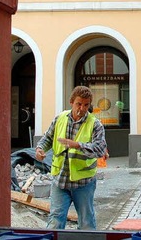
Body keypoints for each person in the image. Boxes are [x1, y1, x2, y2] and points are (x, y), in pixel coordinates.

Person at [35, 86, 107, 230]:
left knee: (86, 222)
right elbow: (47, 138)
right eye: (78, 104)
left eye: (86, 105)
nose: (82, 108)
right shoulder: (60, 118)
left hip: (83, 183)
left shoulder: (95, 124)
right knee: (55, 220)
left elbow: (100, 149)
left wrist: (78, 145)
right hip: (60, 180)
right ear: (71, 102)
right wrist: (40, 148)